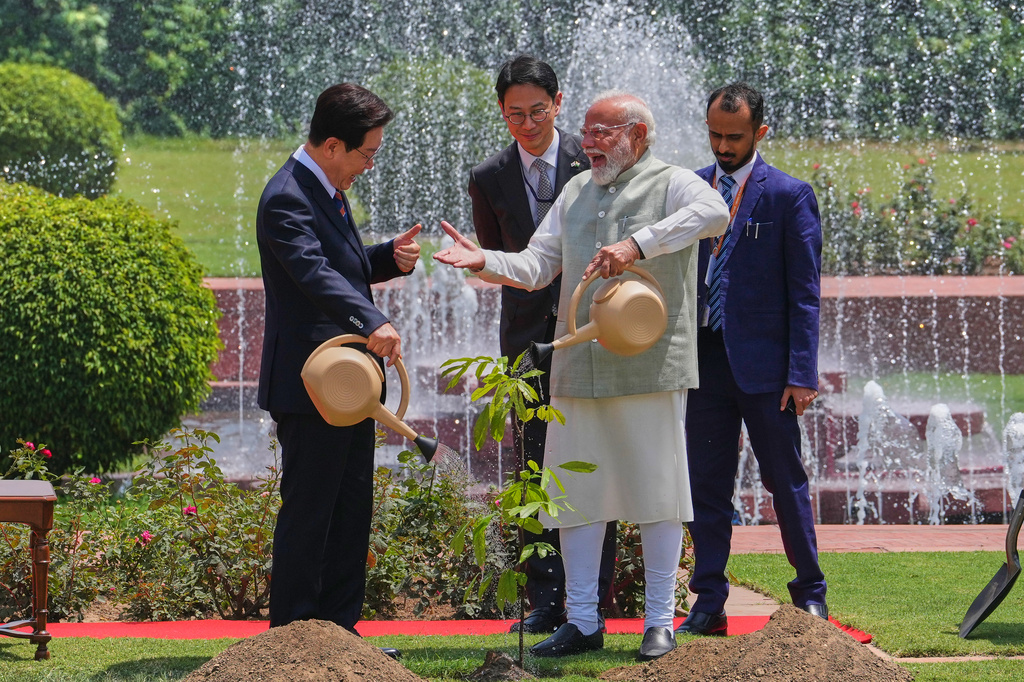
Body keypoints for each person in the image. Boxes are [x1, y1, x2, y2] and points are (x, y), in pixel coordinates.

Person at [435, 92, 729, 661]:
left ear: (637, 136)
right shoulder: (574, 191)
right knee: (574, 497)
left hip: (650, 366)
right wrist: (486, 261)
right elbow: (538, 262)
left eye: (602, 133)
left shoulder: (672, 182)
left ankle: (659, 623)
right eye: (587, 133)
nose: (588, 143)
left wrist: (638, 243)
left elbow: (714, 213)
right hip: (576, 365)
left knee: (658, 495)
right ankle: (582, 621)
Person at [256, 83, 422, 655]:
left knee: (352, 506)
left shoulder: (324, 186)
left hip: (347, 382)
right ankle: (295, 640)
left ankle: (341, 635)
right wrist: (372, 318)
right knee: (311, 508)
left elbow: (340, 266)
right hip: (310, 384)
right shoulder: (286, 196)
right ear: (332, 144)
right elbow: (310, 274)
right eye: (366, 154)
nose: (369, 165)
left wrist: (384, 258)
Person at [469, 54, 616, 634]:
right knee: (534, 468)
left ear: (558, 103)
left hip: (590, 333)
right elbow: (502, 260)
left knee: (594, 464)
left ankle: (593, 600)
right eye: (513, 115)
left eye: (537, 111)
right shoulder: (487, 176)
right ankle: (545, 602)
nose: (527, 125)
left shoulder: (595, 161)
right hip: (526, 343)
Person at [677, 82, 826, 638]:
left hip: (767, 370)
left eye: (733, 137)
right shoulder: (690, 187)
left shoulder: (789, 195)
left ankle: (810, 593)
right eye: (714, 134)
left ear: (760, 132)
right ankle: (709, 598)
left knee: (784, 481)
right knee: (705, 485)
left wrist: (801, 373)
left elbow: (805, 293)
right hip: (704, 362)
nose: (721, 146)